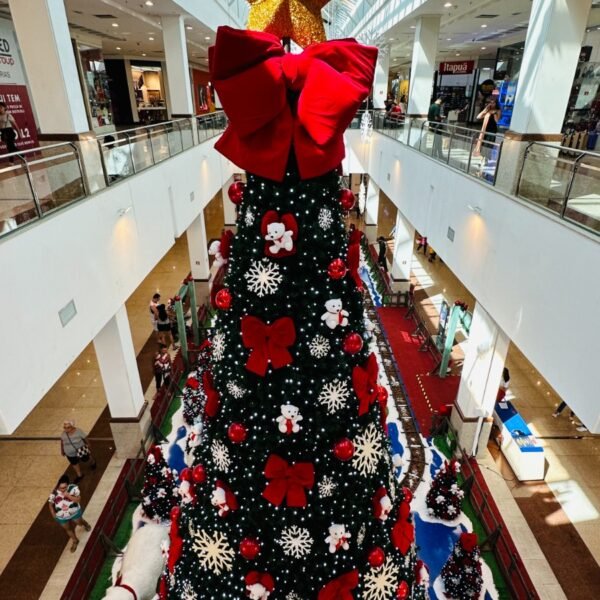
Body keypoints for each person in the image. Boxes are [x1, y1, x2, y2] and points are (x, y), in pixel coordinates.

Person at [48, 475, 91, 552]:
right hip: (61, 516)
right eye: (60, 488)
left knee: (79, 523)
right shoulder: (54, 492)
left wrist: (68, 495)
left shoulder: (73, 488)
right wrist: (53, 514)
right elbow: (50, 504)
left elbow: (78, 500)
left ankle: (85, 524)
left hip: (74, 512)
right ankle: (75, 541)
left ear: (68, 485)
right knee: (68, 528)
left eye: (64, 487)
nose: (62, 490)